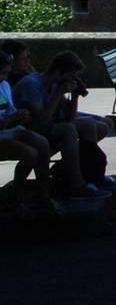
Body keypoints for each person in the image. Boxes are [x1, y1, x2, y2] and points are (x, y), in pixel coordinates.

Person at [12, 52, 112, 199]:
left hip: (49, 124)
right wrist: (58, 93)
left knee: (90, 125)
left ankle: (92, 174)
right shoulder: (32, 84)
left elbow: (68, 117)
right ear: (58, 72)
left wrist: (75, 96)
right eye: (70, 75)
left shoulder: (55, 84)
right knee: (68, 130)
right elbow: (42, 121)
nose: (71, 79)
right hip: (29, 127)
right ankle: (77, 184)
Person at [0, 50, 58, 216]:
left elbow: (9, 111)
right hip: (3, 130)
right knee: (30, 153)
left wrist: (19, 117)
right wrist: (11, 120)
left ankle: (43, 193)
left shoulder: (3, 85)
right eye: (2, 73)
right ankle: (15, 198)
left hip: (8, 128)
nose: (5, 78)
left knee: (42, 144)